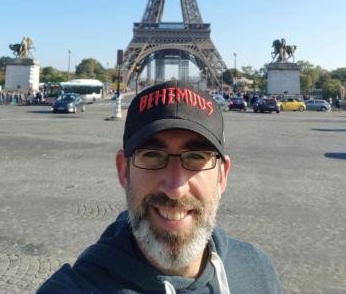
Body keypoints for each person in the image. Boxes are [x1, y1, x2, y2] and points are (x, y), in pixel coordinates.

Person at [37, 80, 282, 293]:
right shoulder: (74, 287)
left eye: (196, 157)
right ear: (124, 170)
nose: (175, 187)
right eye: (152, 155)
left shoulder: (259, 270)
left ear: (222, 176)